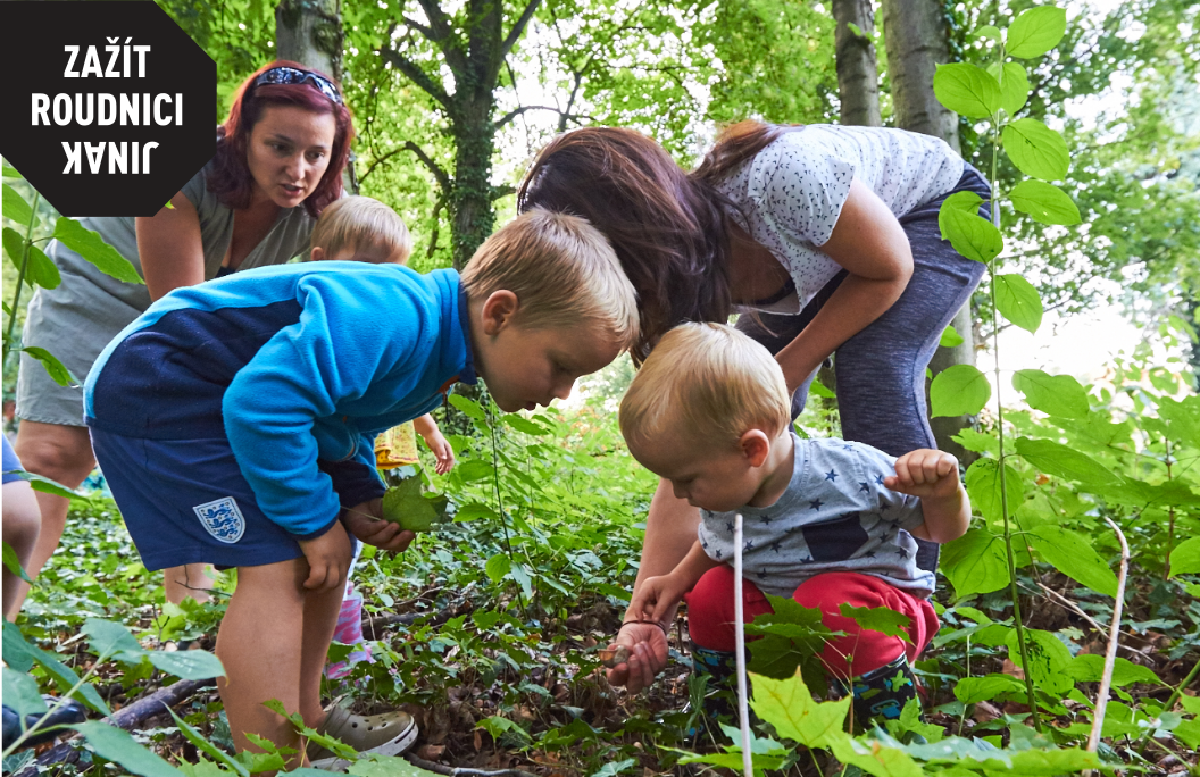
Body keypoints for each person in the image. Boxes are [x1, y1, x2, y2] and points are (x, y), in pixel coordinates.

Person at [83, 209, 640, 768]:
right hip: (159, 386)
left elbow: (340, 422)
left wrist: (354, 498)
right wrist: (312, 519)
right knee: (279, 564)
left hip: (215, 396)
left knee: (329, 555)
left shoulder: (442, 350)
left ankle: (307, 723)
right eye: (562, 366)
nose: (564, 393)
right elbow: (262, 403)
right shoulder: (394, 315)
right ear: (499, 312)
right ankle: (276, 763)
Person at [518, 122, 990, 688]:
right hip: (831, 253)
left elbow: (888, 269)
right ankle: (795, 598)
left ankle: (895, 629)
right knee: (715, 412)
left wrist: (781, 372)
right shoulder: (683, 278)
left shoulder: (780, 179)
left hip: (929, 216)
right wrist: (642, 619)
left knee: (872, 365)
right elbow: (690, 451)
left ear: (641, 239)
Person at [13, 61, 354, 612]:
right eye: (280, 147)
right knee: (54, 456)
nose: (299, 169)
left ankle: (184, 625)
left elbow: (350, 302)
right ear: (242, 136)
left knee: (195, 446)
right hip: (101, 294)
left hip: (204, 319)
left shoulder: (329, 207)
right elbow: (185, 321)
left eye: (316, 154)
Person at [614, 323, 970, 725]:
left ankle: (886, 721)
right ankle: (731, 711)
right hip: (785, 619)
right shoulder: (725, 489)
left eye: (687, 479)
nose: (678, 494)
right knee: (713, 591)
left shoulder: (854, 472)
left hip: (876, 619)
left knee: (827, 599)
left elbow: (941, 531)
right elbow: (718, 541)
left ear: (752, 448)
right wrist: (678, 579)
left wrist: (943, 494)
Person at [306, 195, 456, 680]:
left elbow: (396, 405)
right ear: (321, 261)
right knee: (298, 565)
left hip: (344, 459)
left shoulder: (393, 336)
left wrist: (430, 434)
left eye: (391, 273)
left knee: (340, 558)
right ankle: (308, 664)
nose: (379, 286)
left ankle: (338, 649)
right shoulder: (312, 321)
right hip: (295, 462)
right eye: (364, 267)